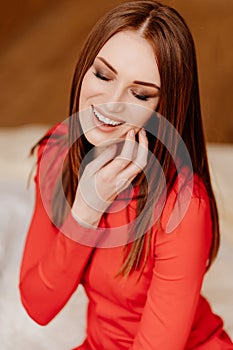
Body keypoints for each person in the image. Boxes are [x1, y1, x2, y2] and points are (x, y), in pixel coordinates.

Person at [19, 1, 233, 349]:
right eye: (103, 74)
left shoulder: (184, 207)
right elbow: (37, 304)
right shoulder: (58, 150)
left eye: (139, 93)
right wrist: (87, 210)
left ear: (164, 109)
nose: (110, 103)